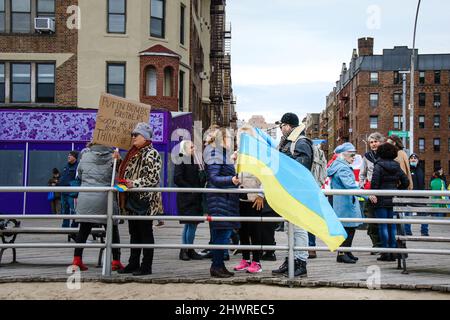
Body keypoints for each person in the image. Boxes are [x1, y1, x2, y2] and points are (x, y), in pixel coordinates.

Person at [116, 123, 162, 276]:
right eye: (133, 134)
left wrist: (133, 183)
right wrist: (118, 162)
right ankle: (133, 263)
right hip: (132, 198)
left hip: (145, 200)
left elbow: (152, 177)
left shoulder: (152, 153)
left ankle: (146, 266)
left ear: (145, 137)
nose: (133, 137)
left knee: (145, 233)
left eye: (136, 135)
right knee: (134, 233)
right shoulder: (133, 153)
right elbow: (127, 174)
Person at [70, 144, 124, 272]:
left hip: (86, 198)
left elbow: (80, 175)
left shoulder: (85, 155)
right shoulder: (113, 157)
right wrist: (118, 160)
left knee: (83, 230)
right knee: (112, 229)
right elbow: (119, 175)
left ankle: (77, 259)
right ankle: (116, 260)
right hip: (106, 199)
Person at [272, 113, 312, 278]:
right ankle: (291, 260)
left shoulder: (301, 142)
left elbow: (303, 165)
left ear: (287, 125)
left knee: (299, 228)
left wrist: (280, 161)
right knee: (290, 228)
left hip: (299, 191)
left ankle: (300, 263)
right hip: (291, 190)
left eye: (281, 126)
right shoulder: (291, 142)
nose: (281, 129)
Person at [204, 127, 240, 278]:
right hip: (219, 199)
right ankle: (216, 266)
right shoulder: (215, 153)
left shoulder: (222, 153)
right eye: (230, 138)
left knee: (222, 233)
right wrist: (231, 180)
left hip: (224, 199)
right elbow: (213, 177)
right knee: (222, 234)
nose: (232, 141)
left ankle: (219, 265)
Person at [232, 125, 265, 274]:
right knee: (242, 230)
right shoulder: (237, 155)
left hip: (254, 197)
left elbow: (267, 176)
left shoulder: (259, 155)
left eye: (246, 136)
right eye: (241, 136)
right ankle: (245, 259)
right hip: (240, 197)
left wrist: (261, 194)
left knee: (255, 230)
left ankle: (257, 262)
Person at [370, 142, 409, 261]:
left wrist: (374, 194)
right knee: (392, 226)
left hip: (381, 199)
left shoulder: (378, 165)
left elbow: (375, 183)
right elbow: (406, 182)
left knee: (383, 226)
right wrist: (398, 189)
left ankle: (385, 252)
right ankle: (393, 252)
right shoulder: (396, 166)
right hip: (393, 199)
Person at [327, 143, 363, 263]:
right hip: (346, 202)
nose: (354, 158)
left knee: (348, 228)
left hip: (342, 201)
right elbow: (351, 186)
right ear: (344, 155)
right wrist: (368, 195)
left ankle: (345, 251)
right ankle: (343, 253)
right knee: (348, 228)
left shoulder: (337, 165)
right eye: (352, 155)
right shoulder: (343, 168)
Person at [174, 140, 205, 261]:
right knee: (191, 223)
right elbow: (177, 178)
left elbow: (198, 177)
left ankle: (188, 249)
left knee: (191, 224)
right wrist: (190, 189)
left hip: (195, 196)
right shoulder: (181, 158)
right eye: (191, 147)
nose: (194, 149)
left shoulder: (194, 160)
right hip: (186, 197)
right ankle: (186, 250)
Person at [359, 132, 384, 252]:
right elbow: (362, 175)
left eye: (375, 141)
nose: (373, 144)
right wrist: (366, 192)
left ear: (381, 142)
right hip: (370, 193)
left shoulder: (386, 155)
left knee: (384, 221)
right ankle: (376, 245)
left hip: (383, 193)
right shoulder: (367, 157)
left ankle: (385, 245)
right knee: (371, 220)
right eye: (371, 142)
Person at [404, 153, 425, 236]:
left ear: (418, 160)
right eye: (411, 158)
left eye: (415, 158)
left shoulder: (420, 170)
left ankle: (424, 231)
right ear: (409, 160)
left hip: (420, 196)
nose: (413, 159)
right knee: (407, 214)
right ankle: (408, 231)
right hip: (409, 196)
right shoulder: (407, 170)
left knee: (424, 214)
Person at [58, 151, 79, 229]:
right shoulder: (66, 166)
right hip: (63, 191)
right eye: (68, 155)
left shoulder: (78, 167)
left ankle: (74, 228)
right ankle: (65, 227)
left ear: (75, 157)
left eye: (70, 155)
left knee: (73, 210)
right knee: (65, 210)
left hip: (72, 193)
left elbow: (78, 179)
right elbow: (63, 176)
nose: (68, 157)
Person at [429, 168, 447, 235]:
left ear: (435, 176)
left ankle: (434, 220)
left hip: (434, 198)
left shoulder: (432, 182)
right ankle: (440, 220)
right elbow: (444, 188)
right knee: (440, 209)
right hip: (440, 197)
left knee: (434, 208)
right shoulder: (442, 181)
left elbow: (431, 187)